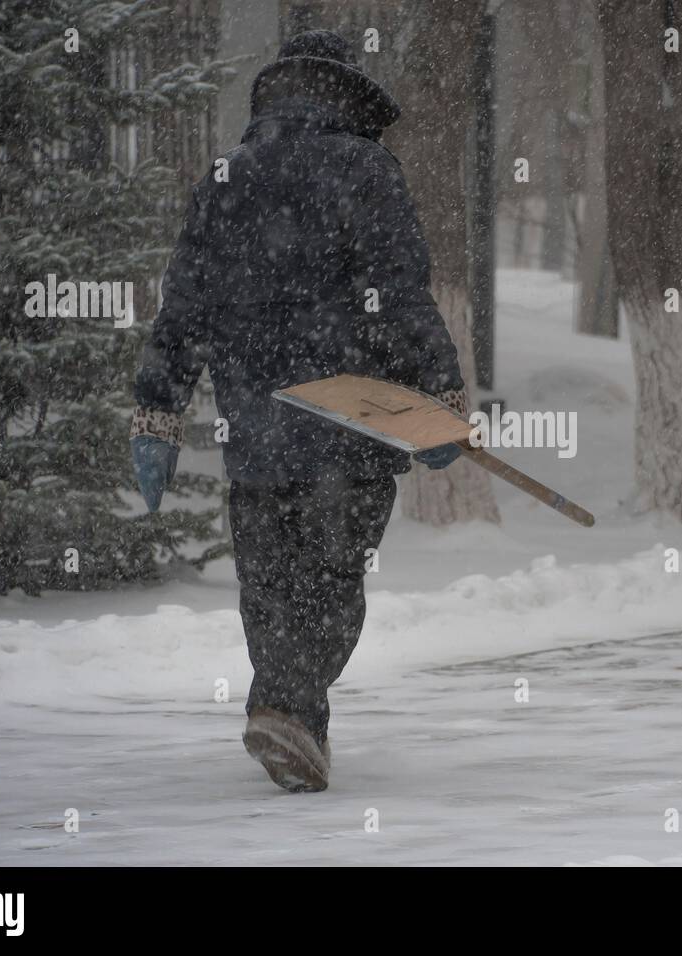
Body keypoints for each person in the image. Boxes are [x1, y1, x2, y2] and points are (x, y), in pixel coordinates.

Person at [129, 31, 465, 792]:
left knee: (272, 585)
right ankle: (285, 710)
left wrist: (158, 411)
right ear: (345, 95)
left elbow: (183, 307)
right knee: (331, 582)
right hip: (352, 425)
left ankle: (289, 721)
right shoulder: (365, 167)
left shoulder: (224, 176)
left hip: (255, 427)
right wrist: (439, 394)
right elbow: (400, 295)